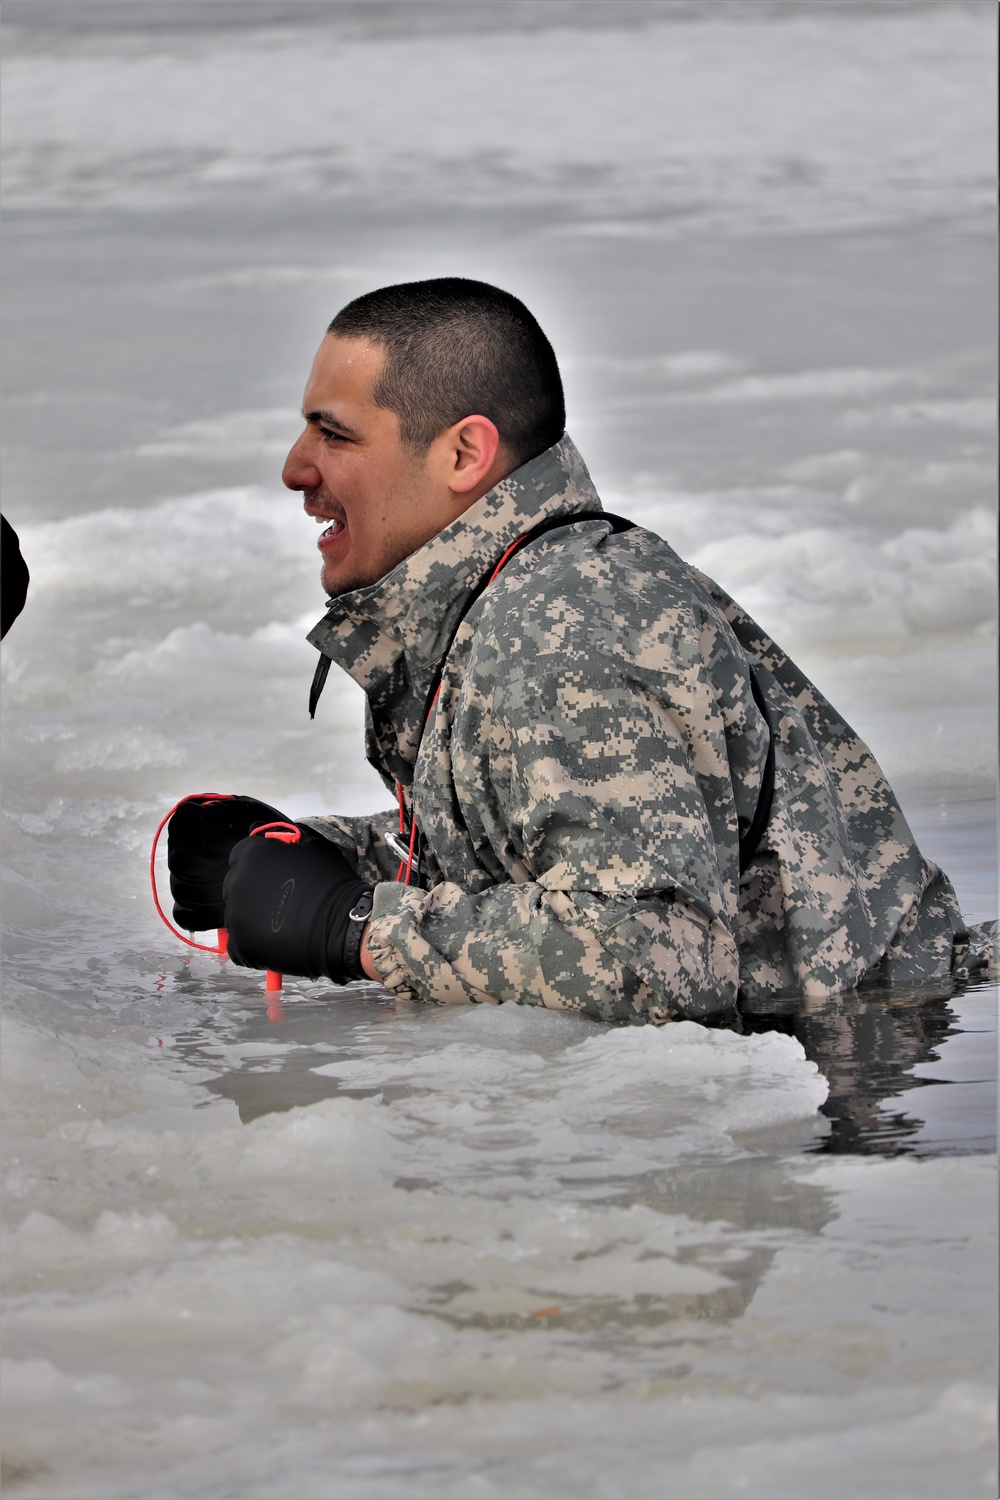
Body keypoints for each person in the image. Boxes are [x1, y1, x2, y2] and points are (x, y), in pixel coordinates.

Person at [167, 278, 985, 1025]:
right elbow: (530, 843)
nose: (294, 468)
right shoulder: (510, 594)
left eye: (334, 434)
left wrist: (353, 927)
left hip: (878, 1062)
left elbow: (656, 954)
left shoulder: (567, 622)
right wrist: (314, 856)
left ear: (464, 455)